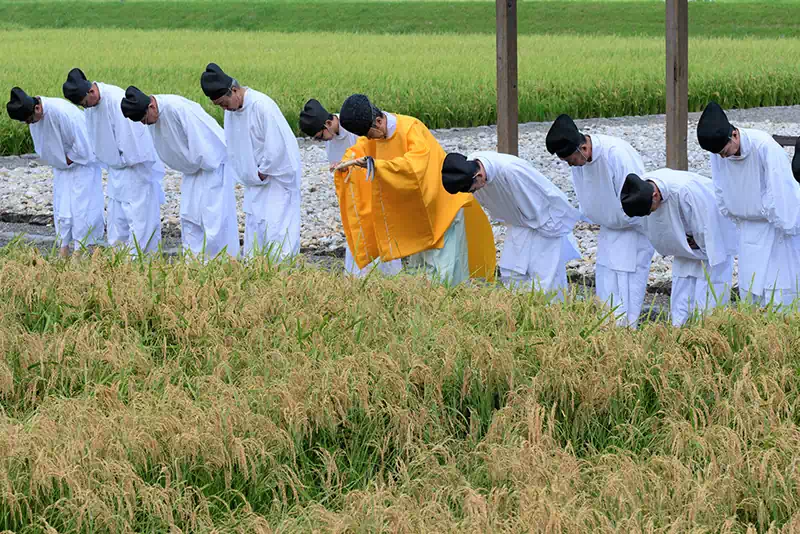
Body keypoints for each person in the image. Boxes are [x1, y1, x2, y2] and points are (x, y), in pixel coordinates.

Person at [332, 93, 495, 285]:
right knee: (421, 276)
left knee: (446, 276)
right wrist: (346, 163)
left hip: (441, 212)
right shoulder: (372, 137)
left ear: (378, 121)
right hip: (416, 218)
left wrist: (378, 166)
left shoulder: (411, 128)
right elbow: (359, 150)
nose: (368, 139)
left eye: (369, 134)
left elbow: (416, 167)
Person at [546, 114, 654, 327]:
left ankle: (628, 336)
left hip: (633, 232)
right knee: (607, 283)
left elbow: (637, 197)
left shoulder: (616, 154)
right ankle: (608, 331)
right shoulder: (580, 163)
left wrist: (620, 219)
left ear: (582, 149)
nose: (571, 166)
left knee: (628, 286)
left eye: (571, 160)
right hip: (608, 230)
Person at [697, 101, 800, 306]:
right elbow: (720, 186)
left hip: (774, 232)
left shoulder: (764, 147)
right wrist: (732, 212)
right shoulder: (720, 153)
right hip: (746, 229)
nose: (722, 157)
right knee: (750, 289)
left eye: (724, 151)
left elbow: (780, 189)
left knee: (777, 289)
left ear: (734, 134)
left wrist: (783, 223)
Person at [120, 86, 239, 258]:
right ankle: (194, 268)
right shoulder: (155, 114)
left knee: (215, 221)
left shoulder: (176, 108)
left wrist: (196, 163)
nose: (144, 124)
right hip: (191, 171)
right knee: (190, 219)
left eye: (144, 119)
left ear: (151, 106)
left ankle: (221, 268)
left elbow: (204, 142)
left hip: (212, 167)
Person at [441, 151, 581, 298]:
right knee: (512, 275)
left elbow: (543, 203)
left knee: (545, 282)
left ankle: (551, 316)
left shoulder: (511, 170)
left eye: (474, 189)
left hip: (546, 225)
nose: (477, 192)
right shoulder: (472, 165)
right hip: (517, 224)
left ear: (479, 176)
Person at [201, 63, 301, 260]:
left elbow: (278, 146)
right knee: (256, 235)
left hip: (275, 182)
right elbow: (234, 145)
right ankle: (258, 279)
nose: (224, 108)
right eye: (219, 105)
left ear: (235, 90)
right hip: (253, 183)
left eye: (223, 102)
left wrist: (262, 171)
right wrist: (246, 174)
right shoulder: (231, 112)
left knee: (278, 233)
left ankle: (285, 283)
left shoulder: (261, 106)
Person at [62, 68, 165, 255]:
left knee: (139, 219)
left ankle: (142, 261)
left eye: (85, 103)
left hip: (135, 168)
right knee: (117, 220)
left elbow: (134, 139)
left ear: (91, 92)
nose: (86, 107)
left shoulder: (117, 99)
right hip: (115, 170)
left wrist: (126, 161)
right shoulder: (91, 106)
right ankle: (120, 263)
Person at [620, 169, 738, 325]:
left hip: (712, 237)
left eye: (650, 211)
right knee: (682, 291)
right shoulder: (642, 188)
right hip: (684, 245)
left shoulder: (685, 190)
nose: (650, 215)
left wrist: (697, 242)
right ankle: (678, 332)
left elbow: (707, 224)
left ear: (655, 196)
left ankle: (708, 333)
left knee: (709, 294)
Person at [299, 98, 401, 277]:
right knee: (354, 232)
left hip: (370, 188)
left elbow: (370, 153)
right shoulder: (331, 139)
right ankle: (358, 276)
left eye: (320, 136)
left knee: (378, 230)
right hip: (352, 193)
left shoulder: (353, 125)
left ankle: (390, 276)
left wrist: (350, 164)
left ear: (329, 123)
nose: (322, 141)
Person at [6, 87, 104, 257]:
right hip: (62, 167)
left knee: (82, 209)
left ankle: (81, 252)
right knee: (62, 208)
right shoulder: (34, 116)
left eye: (30, 120)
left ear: (37, 108)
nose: (30, 124)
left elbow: (85, 145)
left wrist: (66, 160)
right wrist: (58, 161)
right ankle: (63, 248)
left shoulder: (61, 112)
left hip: (82, 166)